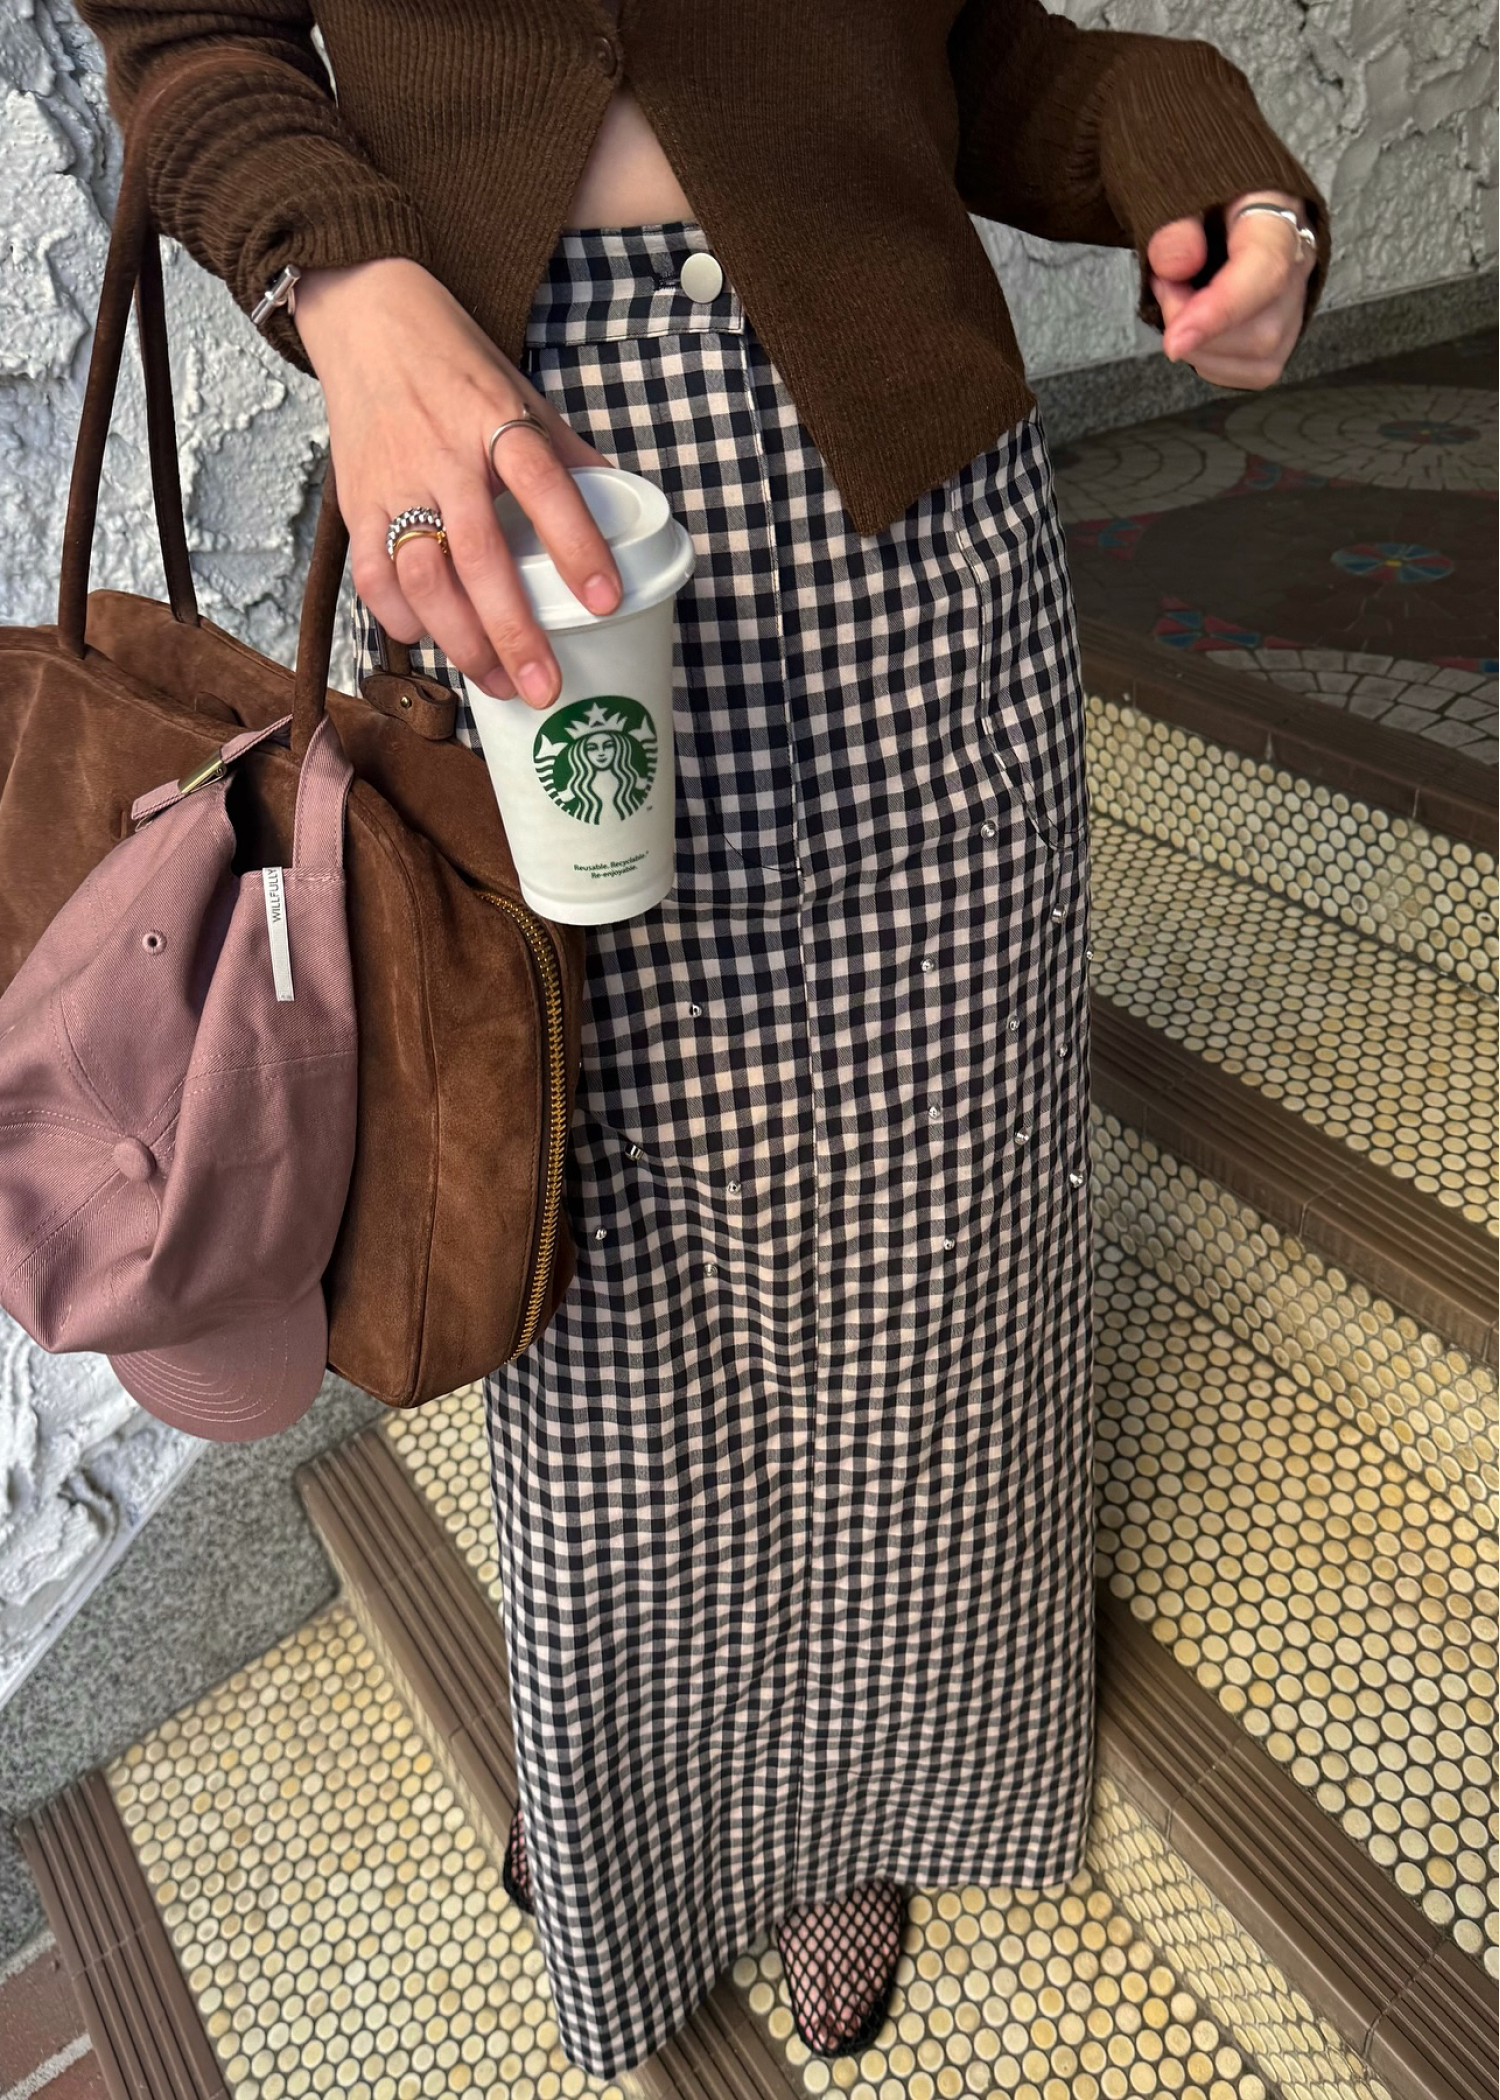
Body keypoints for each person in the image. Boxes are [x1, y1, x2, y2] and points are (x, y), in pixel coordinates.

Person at [72, 0, 1330, 2076]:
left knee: (945, 1210)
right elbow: (192, 28)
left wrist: (1203, 153)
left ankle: (869, 1795)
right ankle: (645, 1792)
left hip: (907, 516)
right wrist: (341, 273)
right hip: (506, 500)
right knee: (604, 1239)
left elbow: (976, 55)